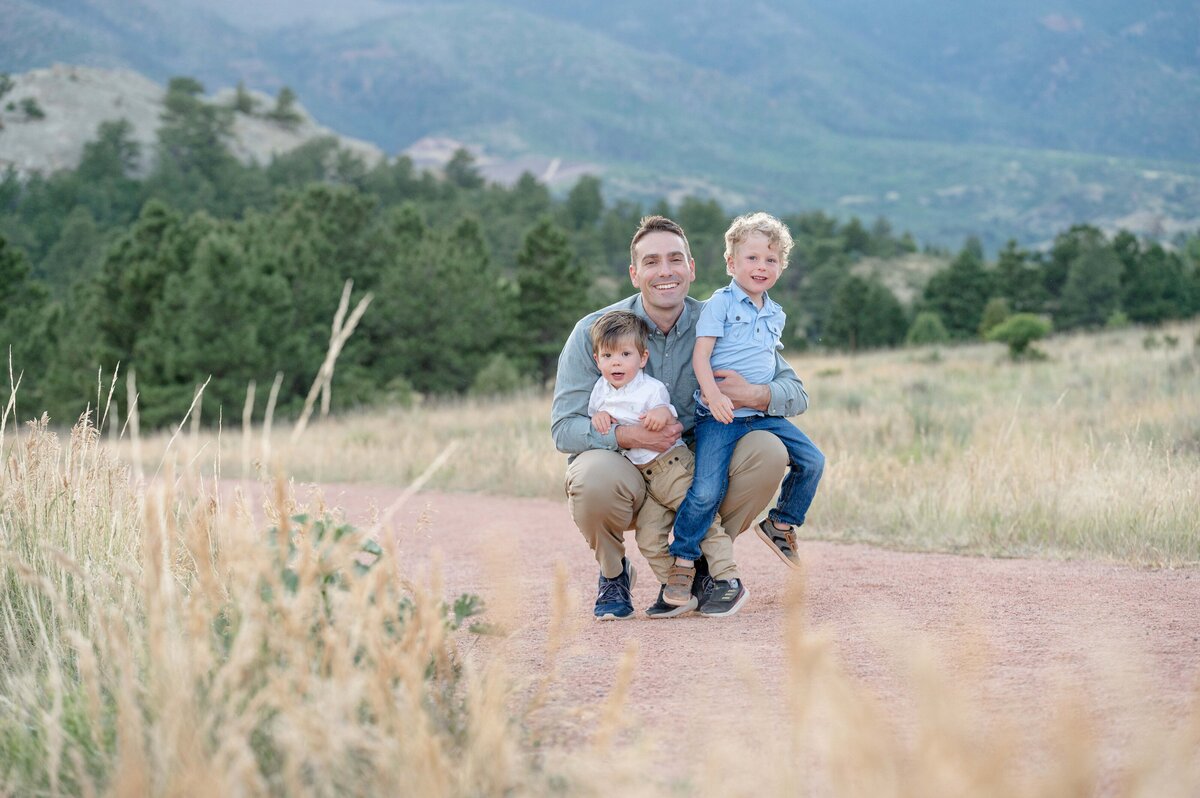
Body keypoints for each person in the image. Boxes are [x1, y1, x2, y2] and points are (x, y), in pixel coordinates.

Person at [550, 215, 814, 620]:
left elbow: (795, 392)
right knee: (590, 478)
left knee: (768, 449)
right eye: (652, 262)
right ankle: (613, 571)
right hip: (623, 468)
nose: (666, 271)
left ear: (691, 268)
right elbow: (565, 429)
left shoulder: (725, 319)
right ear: (635, 273)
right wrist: (632, 436)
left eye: (676, 259)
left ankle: (701, 566)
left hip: (694, 468)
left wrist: (755, 394)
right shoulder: (595, 332)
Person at [662, 212, 825, 605]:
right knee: (705, 490)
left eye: (771, 260)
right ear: (731, 263)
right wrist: (714, 397)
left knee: (813, 461)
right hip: (720, 415)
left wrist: (762, 393)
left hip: (762, 413)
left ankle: (782, 523)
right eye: (751, 258)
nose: (761, 267)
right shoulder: (719, 304)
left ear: (781, 267)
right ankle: (683, 558)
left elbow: (767, 361)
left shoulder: (775, 313)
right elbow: (702, 358)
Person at [586, 309, 742, 618]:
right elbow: (595, 416)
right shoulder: (600, 390)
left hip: (672, 468)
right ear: (597, 359)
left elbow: (665, 413)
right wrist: (599, 417)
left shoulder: (650, 388)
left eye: (625, 354)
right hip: (645, 480)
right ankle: (679, 590)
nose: (616, 362)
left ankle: (727, 578)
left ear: (642, 358)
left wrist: (660, 414)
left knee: (702, 520)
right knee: (648, 537)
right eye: (608, 355)